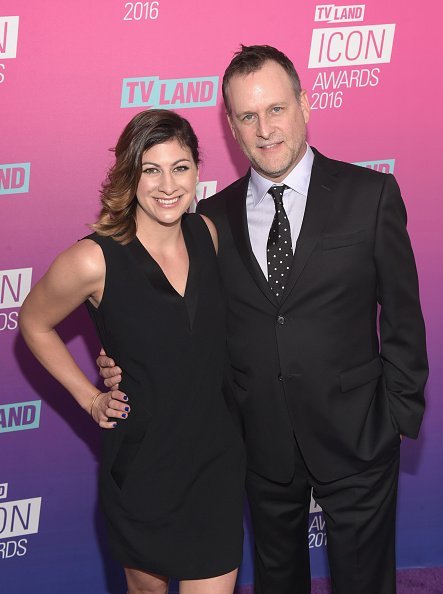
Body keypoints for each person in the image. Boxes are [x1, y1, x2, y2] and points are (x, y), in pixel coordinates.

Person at [98, 45, 428, 594]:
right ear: (231, 126)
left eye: (276, 109)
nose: (265, 129)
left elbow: (403, 316)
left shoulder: (369, 195)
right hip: (256, 440)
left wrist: (396, 417)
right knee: (277, 580)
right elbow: (172, 311)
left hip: (359, 434)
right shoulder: (207, 221)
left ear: (304, 104)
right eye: (247, 116)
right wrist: (120, 361)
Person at [19, 109, 246, 594]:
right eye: (152, 169)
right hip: (144, 467)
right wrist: (89, 396)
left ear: (197, 172)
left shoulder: (206, 234)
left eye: (180, 167)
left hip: (216, 459)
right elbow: (34, 322)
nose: (168, 184)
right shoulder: (93, 258)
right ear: (130, 174)